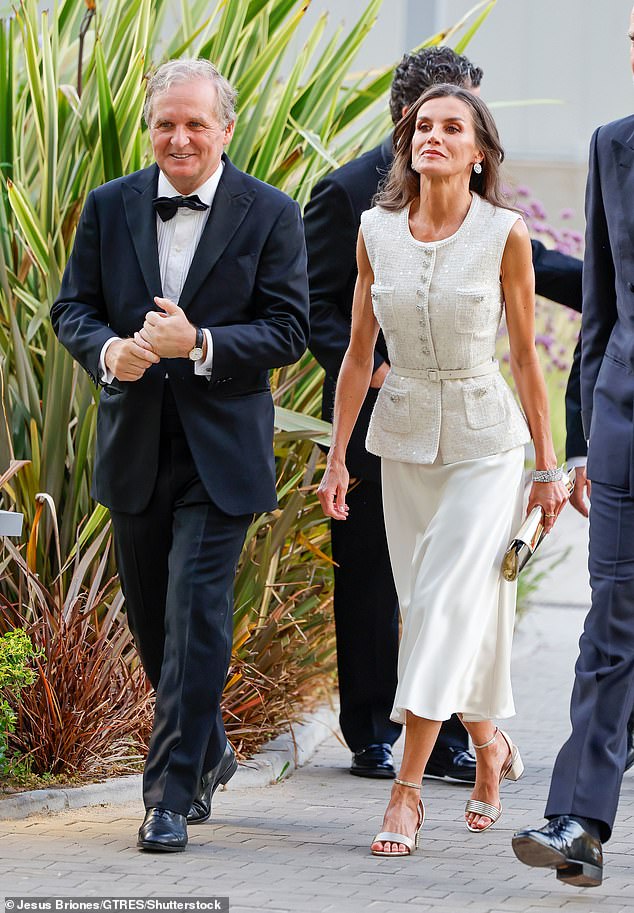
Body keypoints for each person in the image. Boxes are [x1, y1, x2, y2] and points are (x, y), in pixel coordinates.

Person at [51, 59, 309, 853]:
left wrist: (199, 342)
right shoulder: (108, 205)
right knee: (153, 621)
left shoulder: (271, 212)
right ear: (149, 126)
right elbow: (72, 307)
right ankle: (209, 748)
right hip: (134, 444)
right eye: (167, 121)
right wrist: (109, 353)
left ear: (226, 129)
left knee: (196, 615)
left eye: (196, 122)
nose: (180, 136)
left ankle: (167, 795)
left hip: (220, 453)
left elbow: (288, 329)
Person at [305, 45, 583, 783]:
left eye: (467, 118)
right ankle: (370, 729)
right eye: (439, 117)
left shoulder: (492, 215)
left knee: (453, 589)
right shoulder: (347, 200)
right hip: (382, 417)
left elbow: (530, 278)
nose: (453, 131)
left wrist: (609, 286)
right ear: (407, 116)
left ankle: (452, 746)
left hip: (476, 428)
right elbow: (322, 315)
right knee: (372, 578)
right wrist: (377, 380)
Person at [512, 6, 634, 887]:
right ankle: (578, 821)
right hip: (626, 426)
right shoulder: (611, 145)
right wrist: (586, 440)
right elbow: (602, 308)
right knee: (612, 627)